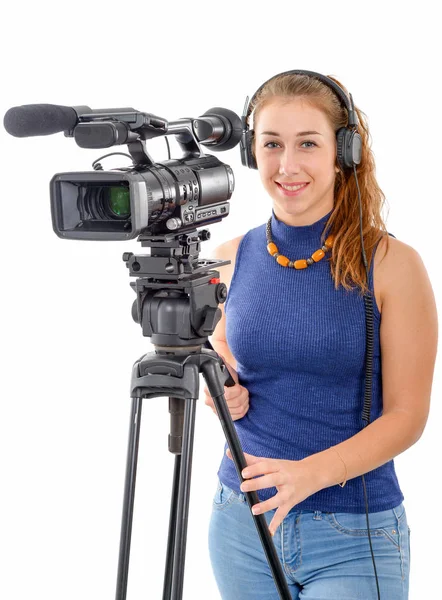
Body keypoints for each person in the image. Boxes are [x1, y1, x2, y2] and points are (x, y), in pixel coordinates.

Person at [203, 71, 438, 600]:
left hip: (353, 534)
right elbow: (221, 353)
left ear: (344, 151)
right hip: (242, 525)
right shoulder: (228, 256)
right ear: (250, 151)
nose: (287, 166)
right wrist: (222, 392)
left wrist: (309, 475)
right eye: (271, 145)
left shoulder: (394, 265)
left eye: (308, 143)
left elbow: (408, 416)